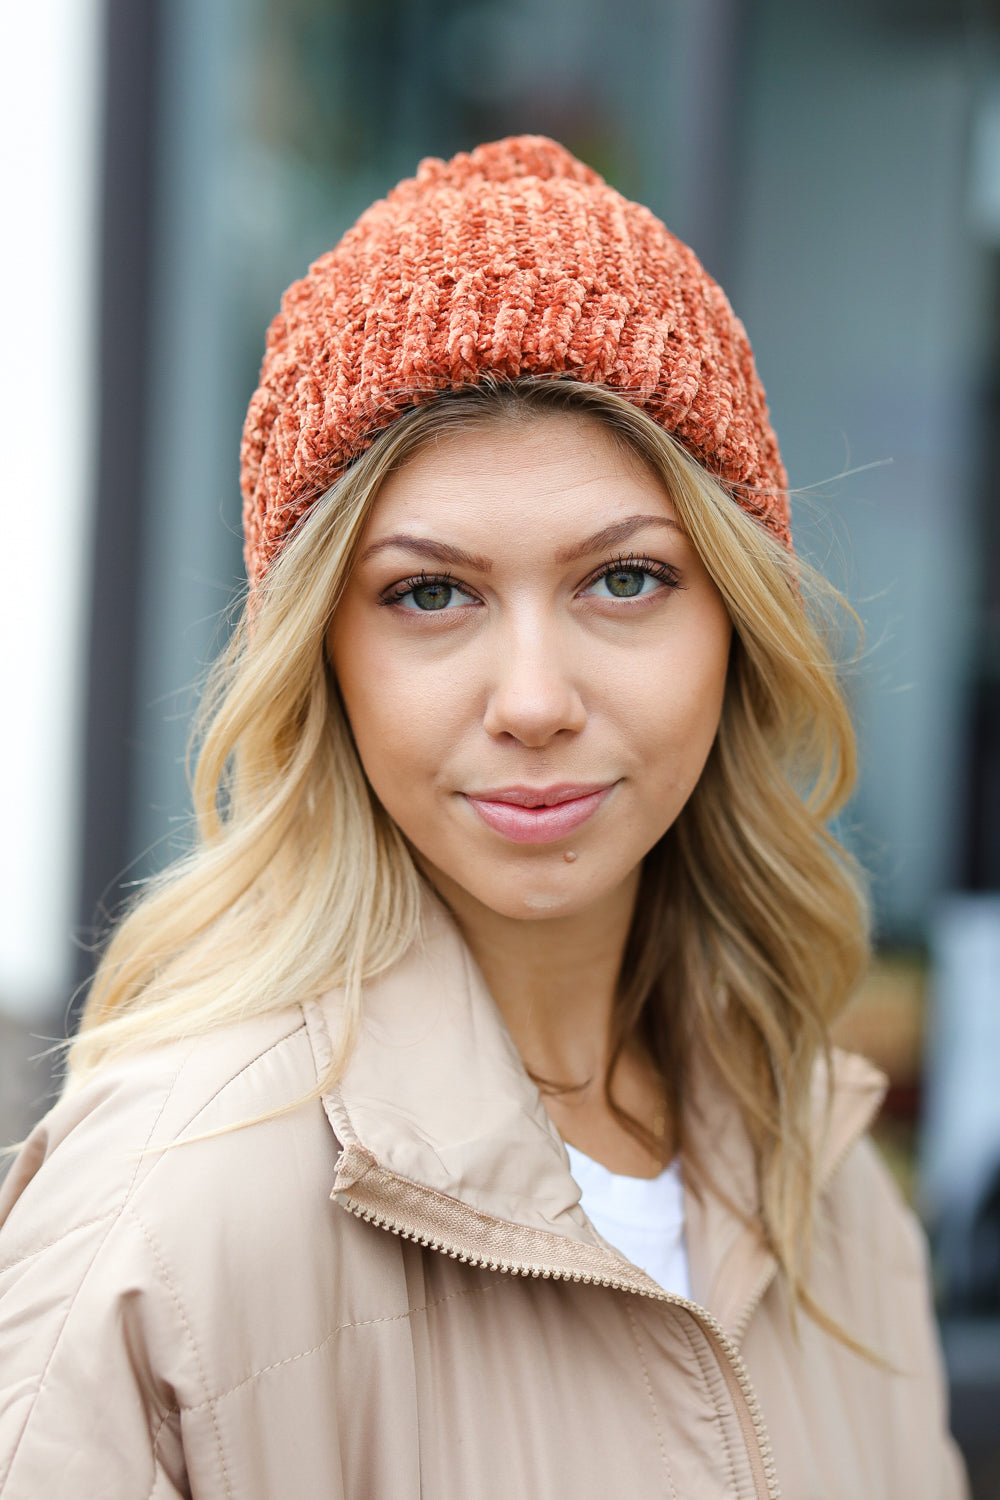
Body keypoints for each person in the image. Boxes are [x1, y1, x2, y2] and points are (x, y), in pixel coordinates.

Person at [0, 136, 967, 1498]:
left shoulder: (826, 1178)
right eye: (430, 594)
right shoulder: (167, 1214)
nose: (532, 700)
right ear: (320, 659)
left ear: (737, 626)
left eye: (624, 580)